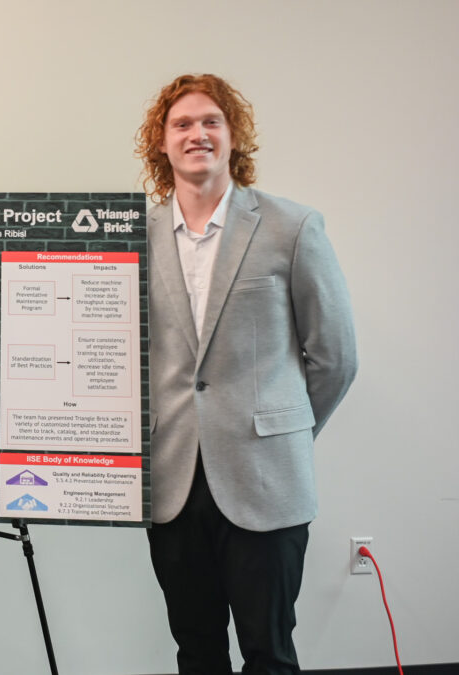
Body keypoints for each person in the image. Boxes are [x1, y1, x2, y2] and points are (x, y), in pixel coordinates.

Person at [137, 74, 358, 673]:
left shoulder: (293, 227)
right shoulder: (136, 236)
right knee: (197, 648)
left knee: (269, 651)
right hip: (173, 479)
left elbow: (334, 357)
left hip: (266, 480)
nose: (197, 134)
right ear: (161, 142)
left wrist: (280, 428)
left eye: (211, 121)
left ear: (234, 137)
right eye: (182, 124)